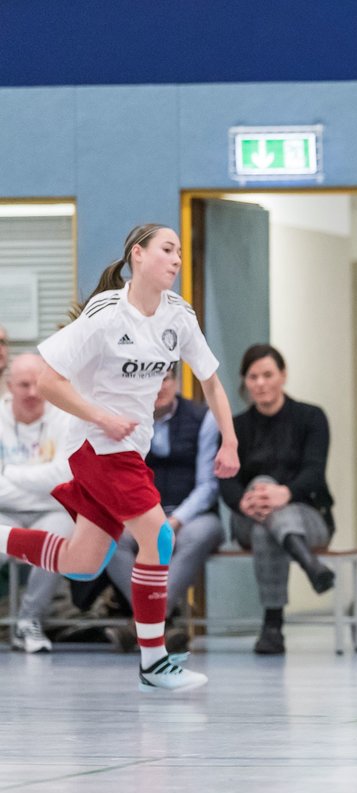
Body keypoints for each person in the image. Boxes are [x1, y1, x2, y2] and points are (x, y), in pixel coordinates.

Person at [0, 223, 239, 691]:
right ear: (138, 255)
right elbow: (48, 381)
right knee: (160, 537)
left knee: (82, 560)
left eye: (179, 253)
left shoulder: (177, 316)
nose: (176, 259)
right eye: (167, 249)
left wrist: (229, 441)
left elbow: (210, 381)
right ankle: (154, 661)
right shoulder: (107, 314)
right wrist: (101, 417)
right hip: (95, 446)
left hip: (128, 447)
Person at [219, 344, 334, 656]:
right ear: (245, 381)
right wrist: (243, 501)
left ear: (282, 376)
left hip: (308, 514)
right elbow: (225, 478)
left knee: (265, 523)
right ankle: (310, 566)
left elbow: (315, 471)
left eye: (267, 375)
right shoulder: (236, 427)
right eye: (253, 377)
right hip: (248, 514)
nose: (260, 383)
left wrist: (285, 493)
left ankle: (272, 627)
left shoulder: (311, 417)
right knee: (260, 488)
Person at [103, 366, 226, 653]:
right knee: (111, 537)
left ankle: (140, 624)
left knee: (200, 535)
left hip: (190, 516)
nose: (159, 387)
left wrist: (176, 520)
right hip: (140, 515)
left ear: (175, 381)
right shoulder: (124, 422)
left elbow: (208, 486)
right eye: (151, 380)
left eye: (165, 379)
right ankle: (160, 625)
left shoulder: (202, 418)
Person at [2, 354, 76, 653]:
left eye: (37, 384)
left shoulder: (65, 418)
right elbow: (53, 481)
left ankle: (28, 621)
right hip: (5, 512)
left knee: (57, 542)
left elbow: (65, 476)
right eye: (23, 385)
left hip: (52, 511)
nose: (32, 393)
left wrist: (8, 474)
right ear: (10, 387)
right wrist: (41, 486)